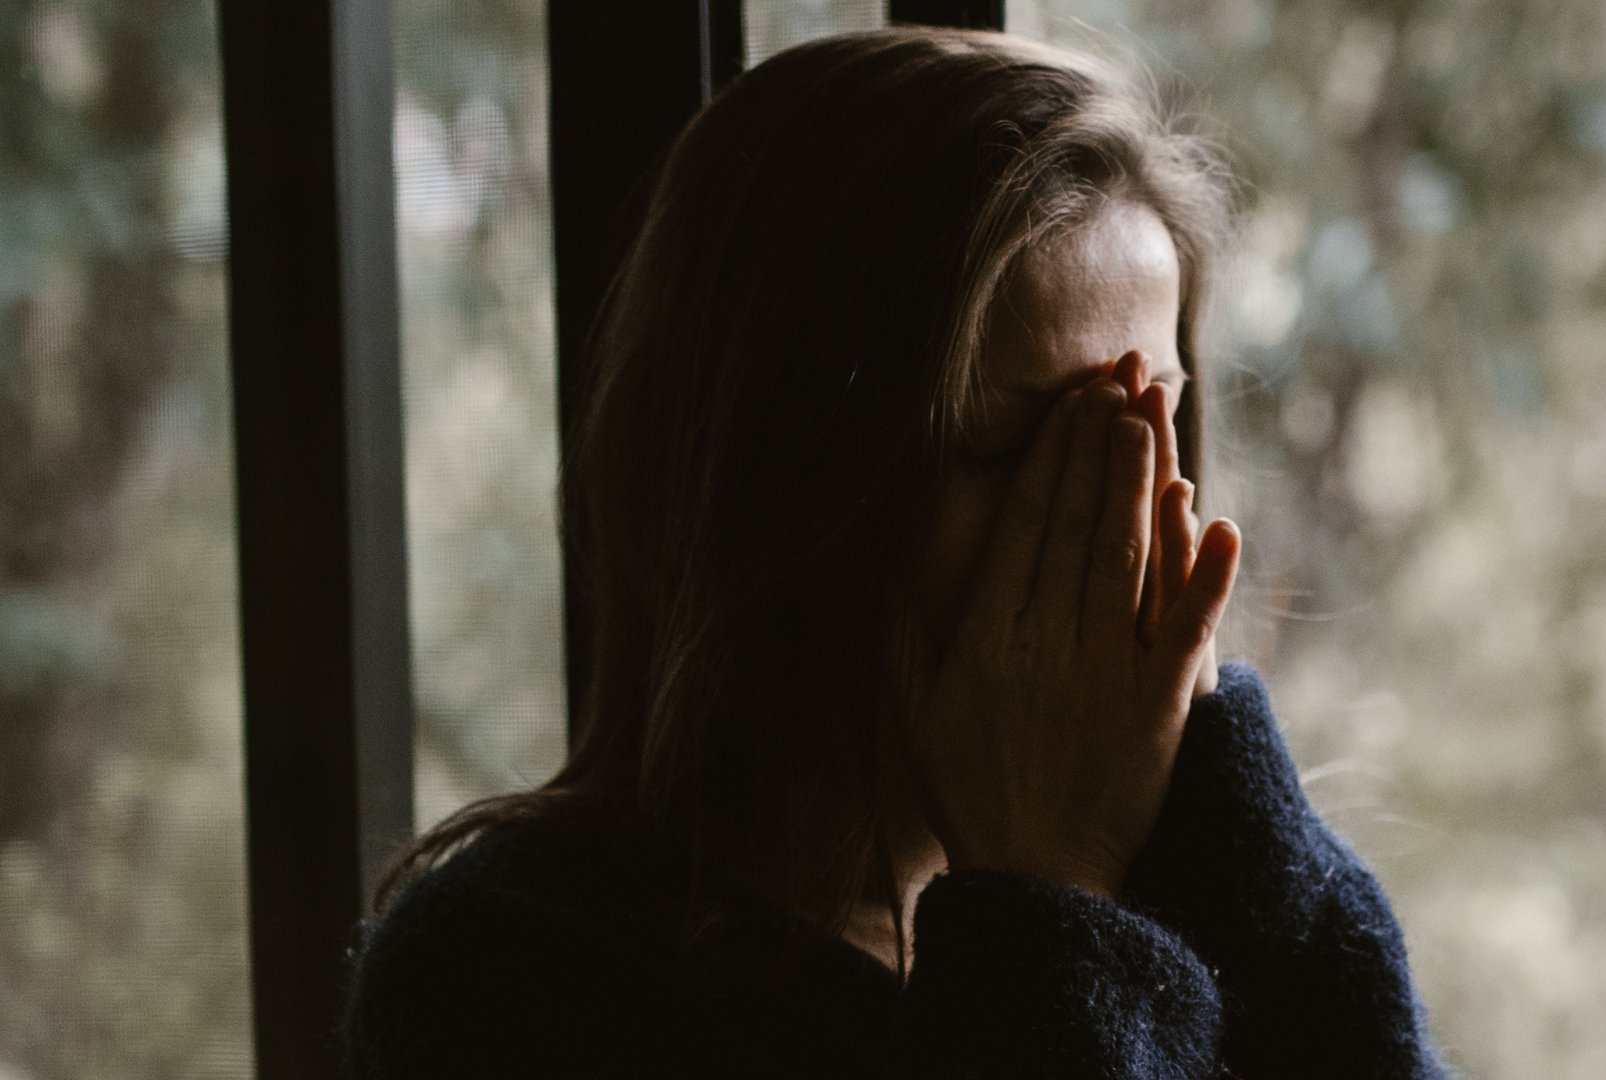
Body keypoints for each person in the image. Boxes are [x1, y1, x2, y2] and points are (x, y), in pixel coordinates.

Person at [345, 25, 1453, 1079]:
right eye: (1010, 447)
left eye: (1148, 431)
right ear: (781, 481)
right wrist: (1047, 896)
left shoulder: (1222, 896)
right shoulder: (511, 975)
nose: (1110, 523)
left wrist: (1226, 814)